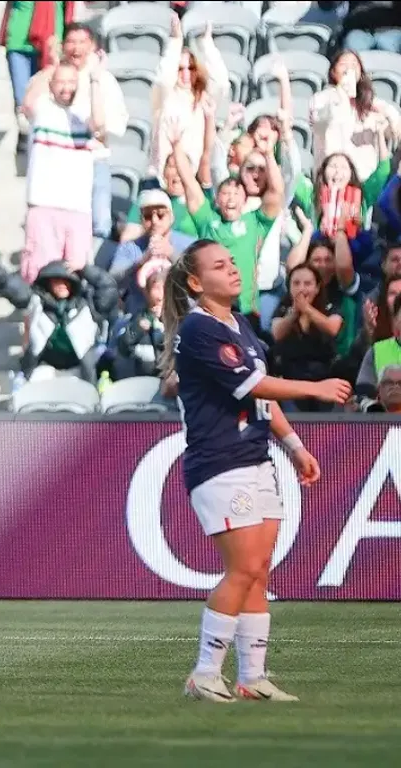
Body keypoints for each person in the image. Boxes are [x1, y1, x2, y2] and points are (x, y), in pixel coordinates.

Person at [158, 239, 350, 704]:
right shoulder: (200, 330)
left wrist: (295, 445)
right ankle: (204, 673)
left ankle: (252, 676)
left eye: (232, 262)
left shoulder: (238, 324)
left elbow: (259, 398)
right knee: (242, 567)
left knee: (260, 570)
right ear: (197, 283)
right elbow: (256, 384)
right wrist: (317, 388)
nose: (232, 270)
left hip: (256, 458)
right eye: (219, 266)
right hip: (221, 463)